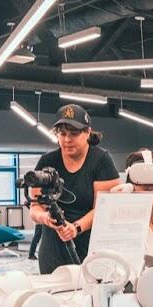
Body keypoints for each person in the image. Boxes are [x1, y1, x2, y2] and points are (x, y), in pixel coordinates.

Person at [27, 104, 119, 274]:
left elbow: (104, 208)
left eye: (74, 134)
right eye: (62, 134)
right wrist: (45, 218)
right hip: (53, 248)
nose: (67, 140)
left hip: (89, 245)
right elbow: (35, 207)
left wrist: (76, 227)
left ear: (87, 132)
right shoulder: (47, 161)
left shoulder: (101, 160)